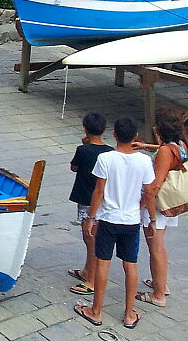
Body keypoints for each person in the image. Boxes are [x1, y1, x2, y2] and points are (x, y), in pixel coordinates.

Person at [74, 117, 156, 330]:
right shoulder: (145, 161)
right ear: (135, 136)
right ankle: (129, 314)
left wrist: (90, 218)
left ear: (114, 134)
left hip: (108, 218)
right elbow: (149, 193)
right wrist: (151, 218)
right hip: (132, 220)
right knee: (130, 265)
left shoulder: (106, 158)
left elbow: (99, 191)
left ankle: (96, 311)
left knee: (103, 263)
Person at [133, 111, 188, 308]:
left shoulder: (166, 151)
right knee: (159, 247)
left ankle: (158, 295)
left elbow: (155, 185)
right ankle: (161, 283)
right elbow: (165, 150)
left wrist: (141, 207)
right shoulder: (180, 145)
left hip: (157, 206)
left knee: (155, 248)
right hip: (169, 202)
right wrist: (146, 147)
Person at [68, 112, 114, 296]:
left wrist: (84, 144)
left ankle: (92, 279)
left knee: (90, 238)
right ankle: (87, 270)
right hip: (103, 199)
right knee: (91, 237)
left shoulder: (82, 150)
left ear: (85, 129)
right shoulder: (110, 151)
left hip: (87, 198)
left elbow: (74, 167)